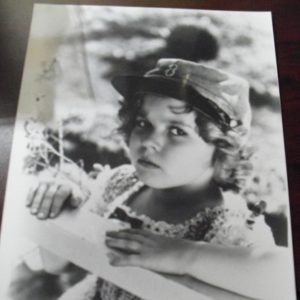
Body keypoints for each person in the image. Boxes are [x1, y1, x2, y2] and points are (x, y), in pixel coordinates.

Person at [27, 59, 292, 300]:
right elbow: (54, 263)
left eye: (177, 130)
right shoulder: (121, 184)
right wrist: (59, 207)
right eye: (143, 123)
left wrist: (185, 255)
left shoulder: (232, 228)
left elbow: (283, 280)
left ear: (221, 148)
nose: (149, 142)